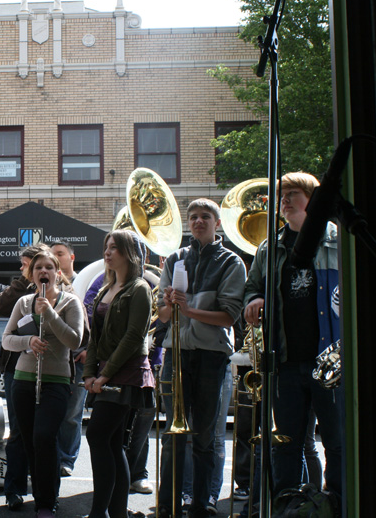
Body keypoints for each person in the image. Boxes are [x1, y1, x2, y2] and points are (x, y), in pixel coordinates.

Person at [243, 172, 343, 515]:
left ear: (312, 199)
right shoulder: (270, 247)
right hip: (286, 362)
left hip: (331, 365)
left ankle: (339, 507)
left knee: (337, 445)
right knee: (286, 446)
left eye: (293, 193)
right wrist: (253, 300)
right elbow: (251, 287)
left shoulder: (337, 240)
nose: (284, 199)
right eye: (281, 194)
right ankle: (288, 509)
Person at [156, 198, 246, 518]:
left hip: (211, 356)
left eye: (204, 217)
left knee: (205, 436)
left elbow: (230, 316)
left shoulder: (231, 262)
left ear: (216, 223)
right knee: (173, 434)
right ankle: (168, 501)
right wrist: (167, 303)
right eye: (192, 217)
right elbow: (163, 315)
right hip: (177, 354)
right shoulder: (176, 258)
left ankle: (203, 501)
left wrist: (189, 310)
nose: (197, 222)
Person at [2, 250, 84, 518]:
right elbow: (6, 339)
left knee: (44, 437)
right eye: (38, 268)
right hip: (23, 380)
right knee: (28, 441)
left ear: (57, 273)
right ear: (31, 274)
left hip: (56, 380)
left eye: (49, 267)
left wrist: (49, 314)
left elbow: (75, 341)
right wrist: (28, 342)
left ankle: (47, 500)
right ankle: (39, 494)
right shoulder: (24, 303)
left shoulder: (70, 303)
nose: (43, 272)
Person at [83, 230, 153, 518]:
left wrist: (104, 375)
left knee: (99, 436)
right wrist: (90, 373)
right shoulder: (103, 289)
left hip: (127, 373)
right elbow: (94, 338)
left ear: (129, 253)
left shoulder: (140, 288)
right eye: (106, 247)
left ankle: (100, 512)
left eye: (115, 248)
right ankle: (116, 513)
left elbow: (134, 337)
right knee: (111, 443)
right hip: (104, 374)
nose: (108, 253)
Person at [0, 243, 48, 511]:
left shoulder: (61, 288)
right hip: (16, 368)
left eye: (27, 264)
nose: (23, 269)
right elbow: (0, 306)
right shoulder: (22, 291)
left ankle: (45, 493)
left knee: (45, 433)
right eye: (30, 266)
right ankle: (14, 490)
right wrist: (25, 280)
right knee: (18, 432)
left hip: (49, 370)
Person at [50, 240, 88, 478]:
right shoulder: (46, 284)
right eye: (52, 254)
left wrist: (90, 348)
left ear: (72, 257)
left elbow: (96, 318)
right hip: (55, 358)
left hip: (78, 359)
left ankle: (66, 459)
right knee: (52, 412)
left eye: (60, 254)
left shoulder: (86, 282)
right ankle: (52, 457)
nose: (55, 258)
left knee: (72, 415)